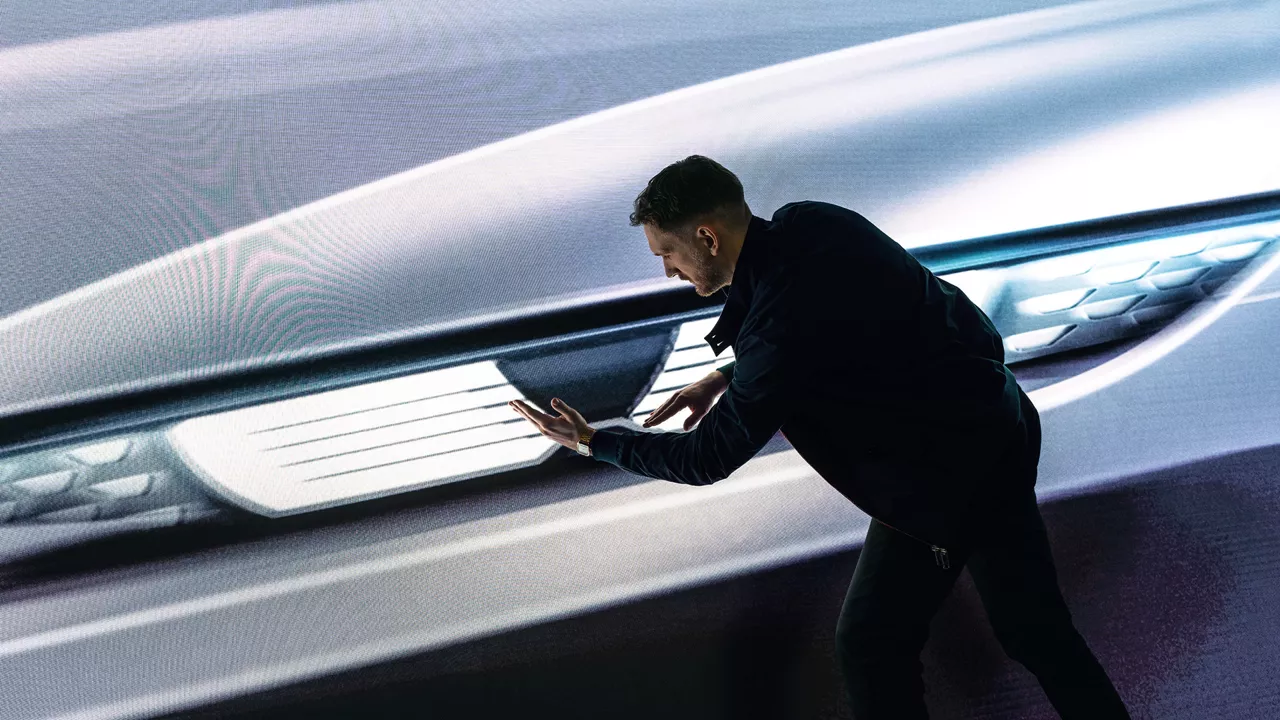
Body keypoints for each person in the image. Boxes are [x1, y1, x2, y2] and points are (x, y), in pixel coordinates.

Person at [508, 155, 1130, 718]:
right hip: (993, 422)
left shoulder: (776, 330)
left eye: (667, 253)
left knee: (897, 640)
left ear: (707, 236)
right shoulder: (815, 224)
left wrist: (596, 442)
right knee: (1003, 632)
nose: (669, 271)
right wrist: (727, 375)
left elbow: (707, 456)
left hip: (952, 476)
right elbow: (841, 326)